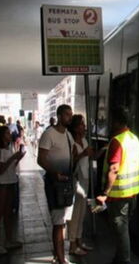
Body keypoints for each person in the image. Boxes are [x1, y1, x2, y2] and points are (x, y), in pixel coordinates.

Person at [96, 106, 139, 264]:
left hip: (119, 196)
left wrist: (105, 193)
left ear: (116, 122)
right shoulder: (134, 138)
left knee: (121, 231)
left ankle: (125, 260)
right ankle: (119, 258)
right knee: (123, 229)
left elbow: (114, 169)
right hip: (133, 193)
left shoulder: (117, 141)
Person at [38, 105, 77, 264]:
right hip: (54, 183)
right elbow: (41, 159)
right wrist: (55, 173)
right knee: (58, 222)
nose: (70, 118)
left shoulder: (68, 135)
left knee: (62, 222)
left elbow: (73, 150)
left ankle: (58, 255)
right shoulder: (49, 134)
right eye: (67, 115)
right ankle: (61, 259)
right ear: (59, 116)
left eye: (71, 115)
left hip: (66, 183)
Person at [0, 126, 24, 254]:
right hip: (3, 183)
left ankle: (8, 240)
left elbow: (11, 166)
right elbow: (0, 169)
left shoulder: (9, 149)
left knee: (8, 213)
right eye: (7, 133)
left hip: (10, 181)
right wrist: (13, 158)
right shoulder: (0, 151)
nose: (9, 135)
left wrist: (17, 158)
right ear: (1, 136)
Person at [67, 114, 94, 256]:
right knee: (75, 212)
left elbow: (90, 155)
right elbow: (72, 161)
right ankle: (72, 244)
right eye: (82, 124)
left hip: (85, 178)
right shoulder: (73, 144)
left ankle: (79, 240)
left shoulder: (83, 140)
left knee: (82, 211)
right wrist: (83, 153)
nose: (84, 127)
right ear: (76, 128)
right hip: (77, 179)